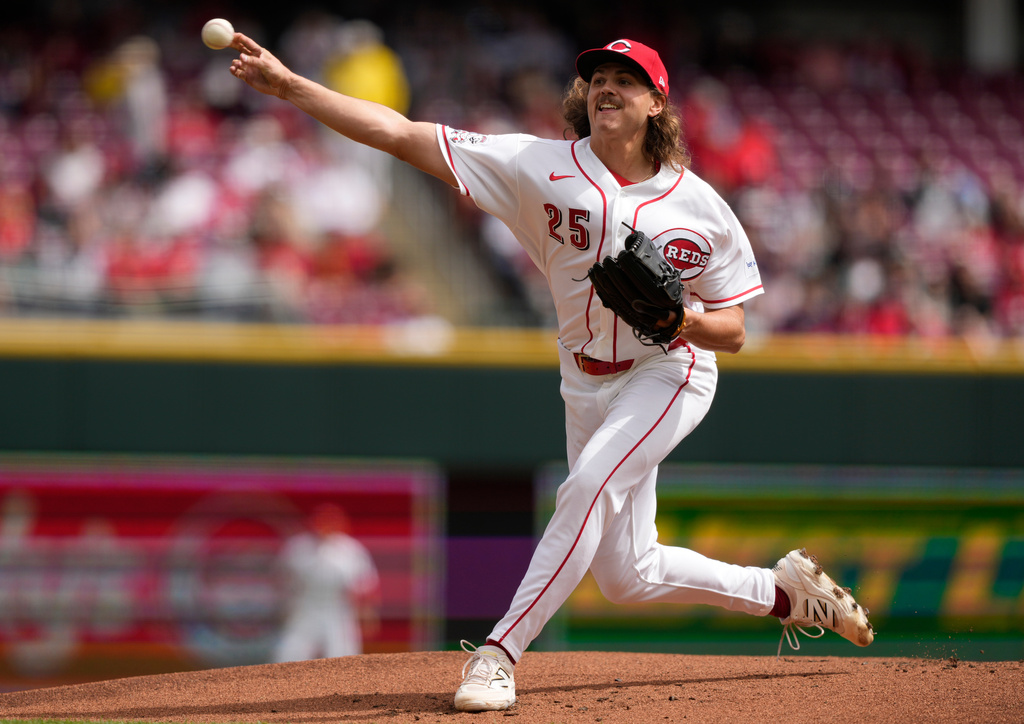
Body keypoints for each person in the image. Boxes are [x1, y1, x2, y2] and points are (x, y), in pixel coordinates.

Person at [228, 34, 874, 711]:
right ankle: (782, 593)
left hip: (668, 370)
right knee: (627, 575)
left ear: (657, 103)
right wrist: (292, 87)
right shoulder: (536, 165)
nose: (607, 87)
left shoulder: (701, 207)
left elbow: (735, 331)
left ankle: (498, 654)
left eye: (627, 79)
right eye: (598, 76)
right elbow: (398, 133)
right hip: (584, 380)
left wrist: (683, 321)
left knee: (587, 485)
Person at [273, 503, 380, 662]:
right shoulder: (297, 547)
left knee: (341, 660)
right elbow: (281, 578)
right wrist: (283, 607)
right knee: (289, 656)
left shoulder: (350, 550)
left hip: (337, 610)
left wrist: (367, 613)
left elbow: (366, 584)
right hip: (304, 608)